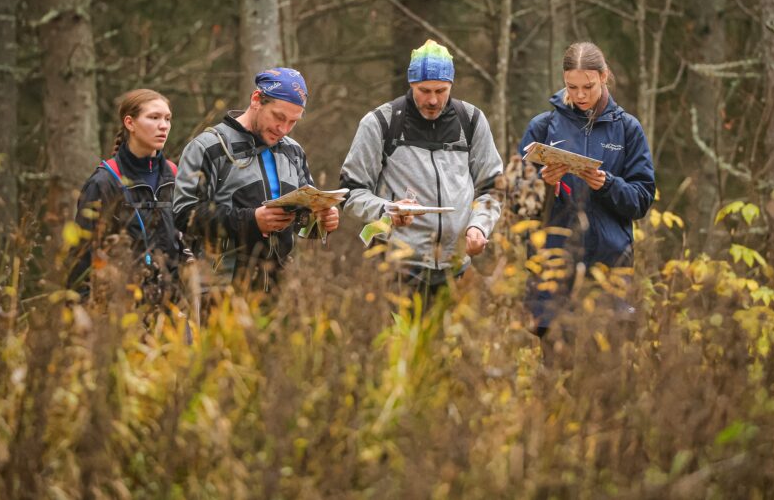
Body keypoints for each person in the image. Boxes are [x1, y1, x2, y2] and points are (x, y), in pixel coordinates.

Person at [339, 40, 503, 300]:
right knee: (400, 341)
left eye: (441, 90)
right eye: (424, 90)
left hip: (457, 267)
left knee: (450, 342)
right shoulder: (380, 122)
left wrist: (479, 226)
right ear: (411, 83)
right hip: (397, 268)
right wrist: (387, 210)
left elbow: (493, 187)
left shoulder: (471, 120)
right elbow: (350, 193)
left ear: (451, 84)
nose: (433, 99)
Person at [518, 41, 655, 335]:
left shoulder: (628, 129)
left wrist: (608, 184)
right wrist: (545, 182)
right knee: (556, 373)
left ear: (604, 77)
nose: (580, 95)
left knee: (605, 375)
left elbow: (642, 200)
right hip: (553, 269)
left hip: (608, 271)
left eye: (588, 87)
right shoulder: (543, 127)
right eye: (572, 87)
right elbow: (519, 202)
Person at [172, 67, 339, 289]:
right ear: (256, 99)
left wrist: (321, 221)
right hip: (220, 288)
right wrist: (251, 220)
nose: (284, 129)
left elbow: (301, 224)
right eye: (279, 117)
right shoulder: (208, 147)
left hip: (279, 288)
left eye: (293, 121)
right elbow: (184, 214)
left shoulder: (293, 151)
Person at [68, 89, 185, 302]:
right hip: (121, 308)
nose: (164, 126)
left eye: (167, 118)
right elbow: (81, 258)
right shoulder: (104, 182)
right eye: (154, 117)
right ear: (130, 123)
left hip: (172, 306)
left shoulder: (173, 175)